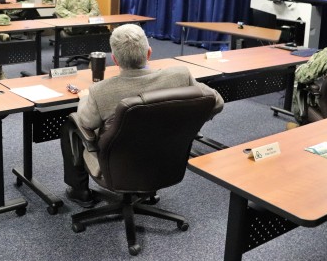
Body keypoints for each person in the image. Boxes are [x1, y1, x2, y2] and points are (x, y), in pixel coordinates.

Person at [59, 24, 224, 207]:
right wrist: (188, 122)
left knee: (70, 125)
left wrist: (85, 98)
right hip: (166, 161)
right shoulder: (180, 76)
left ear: (115, 59)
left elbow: (86, 122)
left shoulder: (101, 92)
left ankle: (80, 192)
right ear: (149, 52)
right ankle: (146, 190)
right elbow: (216, 102)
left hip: (116, 170)